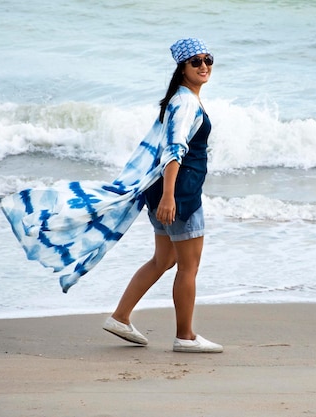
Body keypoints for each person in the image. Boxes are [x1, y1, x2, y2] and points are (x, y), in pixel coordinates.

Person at [102, 38, 223, 353]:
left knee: (164, 259)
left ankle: (120, 317)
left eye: (208, 59)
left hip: (163, 191)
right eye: (195, 61)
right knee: (188, 267)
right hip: (178, 195)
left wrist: (162, 195)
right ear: (182, 68)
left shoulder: (179, 99)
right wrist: (169, 197)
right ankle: (185, 336)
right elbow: (174, 150)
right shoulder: (185, 102)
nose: (203, 66)